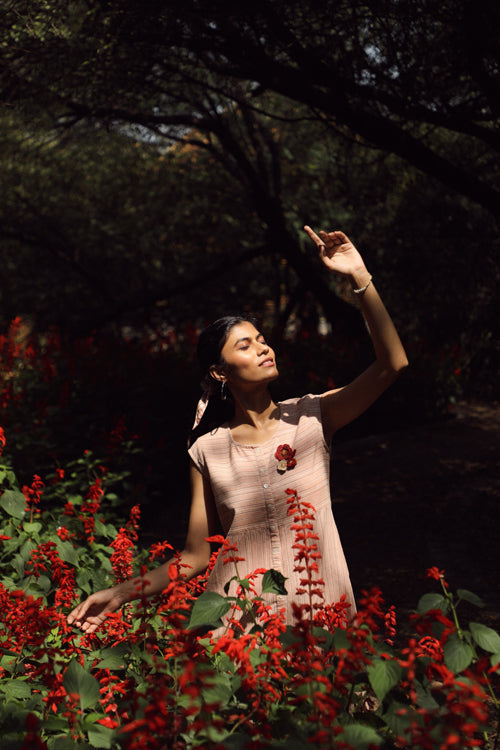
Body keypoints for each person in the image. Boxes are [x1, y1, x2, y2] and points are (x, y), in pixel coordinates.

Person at [67, 227, 408, 634]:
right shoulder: (207, 451)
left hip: (322, 617)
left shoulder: (313, 416)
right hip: (242, 629)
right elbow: (193, 558)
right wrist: (121, 593)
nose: (263, 348)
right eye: (245, 345)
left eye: (262, 340)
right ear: (220, 371)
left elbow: (392, 364)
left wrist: (359, 277)